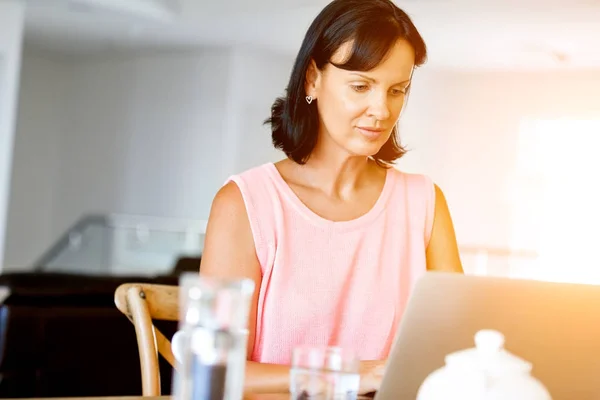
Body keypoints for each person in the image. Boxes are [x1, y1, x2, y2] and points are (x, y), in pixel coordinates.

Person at [200, 0, 463, 394]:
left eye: (397, 90)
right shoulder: (244, 204)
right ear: (312, 80)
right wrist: (348, 377)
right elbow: (213, 368)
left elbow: (458, 347)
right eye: (361, 86)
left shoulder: (424, 202)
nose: (381, 109)